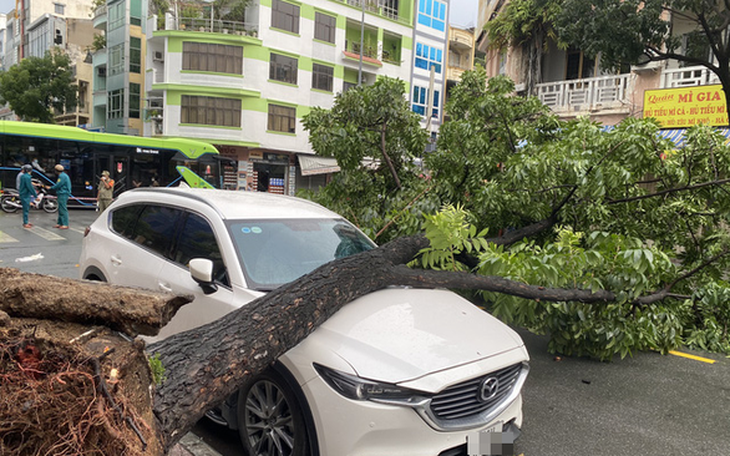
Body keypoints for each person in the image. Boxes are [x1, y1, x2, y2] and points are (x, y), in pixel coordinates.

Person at [50, 164, 72, 229]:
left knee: (63, 208)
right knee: (60, 208)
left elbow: (58, 185)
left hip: (63, 193)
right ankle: (59, 223)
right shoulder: (64, 175)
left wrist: (50, 188)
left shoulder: (62, 176)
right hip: (62, 193)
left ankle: (65, 224)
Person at [18, 164, 37, 228]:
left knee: (26, 208)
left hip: (23, 193)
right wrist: (35, 195)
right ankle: (25, 222)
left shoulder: (23, 176)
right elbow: (30, 187)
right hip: (25, 194)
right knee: (26, 209)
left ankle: (26, 221)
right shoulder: (27, 177)